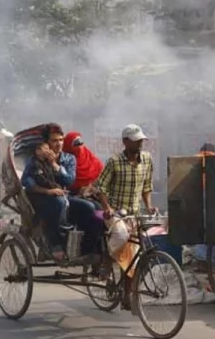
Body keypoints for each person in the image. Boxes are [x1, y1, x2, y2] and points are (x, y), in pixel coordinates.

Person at [95, 123, 157, 310]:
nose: (140, 144)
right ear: (125, 142)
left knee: (134, 258)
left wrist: (149, 205)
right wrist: (107, 207)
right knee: (121, 235)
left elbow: (147, 186)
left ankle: (127, 296)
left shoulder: (147, 159)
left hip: (134, 213)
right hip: (115, 212)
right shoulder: (114, 161)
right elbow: (101, 188)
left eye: (141, 140)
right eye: (136, 141)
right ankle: (106, 262)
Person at [21, 124, 75, 260]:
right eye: (54, 141)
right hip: (42, 197)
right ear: (47, 143)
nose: (59, 144)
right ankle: (56, 242)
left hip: (64, 195)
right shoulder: (35, 160)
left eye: (61, 140)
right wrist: (48, 191)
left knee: (89, 207)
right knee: (58, 203)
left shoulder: (68, 159)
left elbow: (69, 180)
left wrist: (54, 164)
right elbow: (27, 181)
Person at [62, 131, 105, 256]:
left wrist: (90, 188)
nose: (80, 146)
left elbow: (101, 177)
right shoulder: (66, 160)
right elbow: (64, 181)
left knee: (103, 213)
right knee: (91, 208)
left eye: (81, 142)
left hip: (90, 194)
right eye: (76, 144)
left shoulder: (91, 158)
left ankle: (98, 248)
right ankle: (86, 249)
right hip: (69, 196)